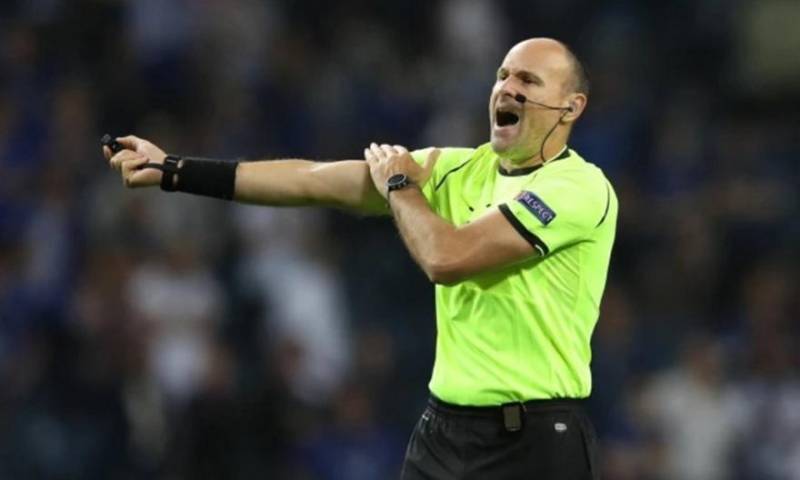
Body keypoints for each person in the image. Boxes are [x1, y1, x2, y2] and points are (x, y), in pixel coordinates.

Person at [105, 37, 616, 480]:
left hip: (534, 444)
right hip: (445, 433)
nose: (507, 88)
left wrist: (400, 185)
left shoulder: (578, 189)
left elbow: (446, 257)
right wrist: (175, 170)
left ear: (570, 107)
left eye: (528, 80)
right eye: (502, 75)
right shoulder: (456, 170)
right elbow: (312, 181)